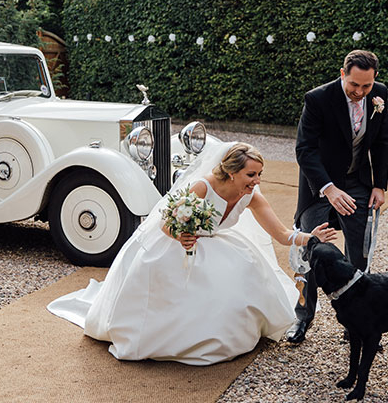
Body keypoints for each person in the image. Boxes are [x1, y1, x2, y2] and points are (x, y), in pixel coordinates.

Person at [48, 142, 337, 365]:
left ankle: (226, 335)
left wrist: (311, 237)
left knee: (243, 271)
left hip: (216, 244)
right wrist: (182, 236)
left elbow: (282, 234)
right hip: (174, 245)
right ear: (232, 172)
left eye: (260, 174)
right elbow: (166, 224)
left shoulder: (251, 195)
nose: (257, 180)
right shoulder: (203, 186)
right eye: (251, 174)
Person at [286, 50, 388, 344]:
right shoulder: (317, 99)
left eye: (366, 86)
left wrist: (379, 185)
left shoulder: (379, 95)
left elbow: (382, 142)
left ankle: (357, 321)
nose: (360, 92)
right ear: (343, 73)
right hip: (319, 186)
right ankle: (302, 317)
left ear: (375, 79)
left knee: (359, 252)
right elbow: (305, 149)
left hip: (358, 182)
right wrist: (329, 188)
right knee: (310, 250)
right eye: (354, 85)